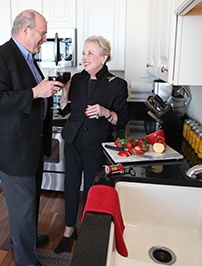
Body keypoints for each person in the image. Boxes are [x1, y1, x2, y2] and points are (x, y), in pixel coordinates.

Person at [0, 10, 65, 266]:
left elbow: (31, 93)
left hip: (30, 145)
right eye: (42, 33)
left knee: (29, 202)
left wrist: (47, 90)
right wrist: (36, 91)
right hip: (13, 149)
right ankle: (27, 259)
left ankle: (25, 237)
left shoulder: (28, 57)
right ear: (26, 29)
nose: (45, 39)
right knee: (23, 206)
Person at [54, 35, 128, 254]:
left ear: (103, 58)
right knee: (70, 185)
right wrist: (65, 91)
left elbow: (122, 119)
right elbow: (65, 109)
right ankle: (69, 230)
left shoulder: (117, 85)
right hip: (73, 140)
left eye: (90, 53)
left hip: (95, 144)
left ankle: (87, 232)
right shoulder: (77, 79)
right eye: (84, 53)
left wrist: (105, 112)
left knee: (90, 189)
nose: (84, 58)